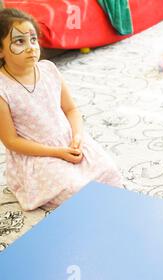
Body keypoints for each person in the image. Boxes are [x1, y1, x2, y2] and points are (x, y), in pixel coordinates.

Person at [0, 8, 122, 211]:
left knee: (109, 170)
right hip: (38, 154)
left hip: (67, 141)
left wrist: (77, 136)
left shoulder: (48, 69)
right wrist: (57, 152)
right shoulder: (3, 89)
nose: (31, 48)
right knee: (76, 191)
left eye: (33, 39)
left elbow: (71, 109)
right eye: (19, 42)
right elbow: (11, 142)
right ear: (1, 50)